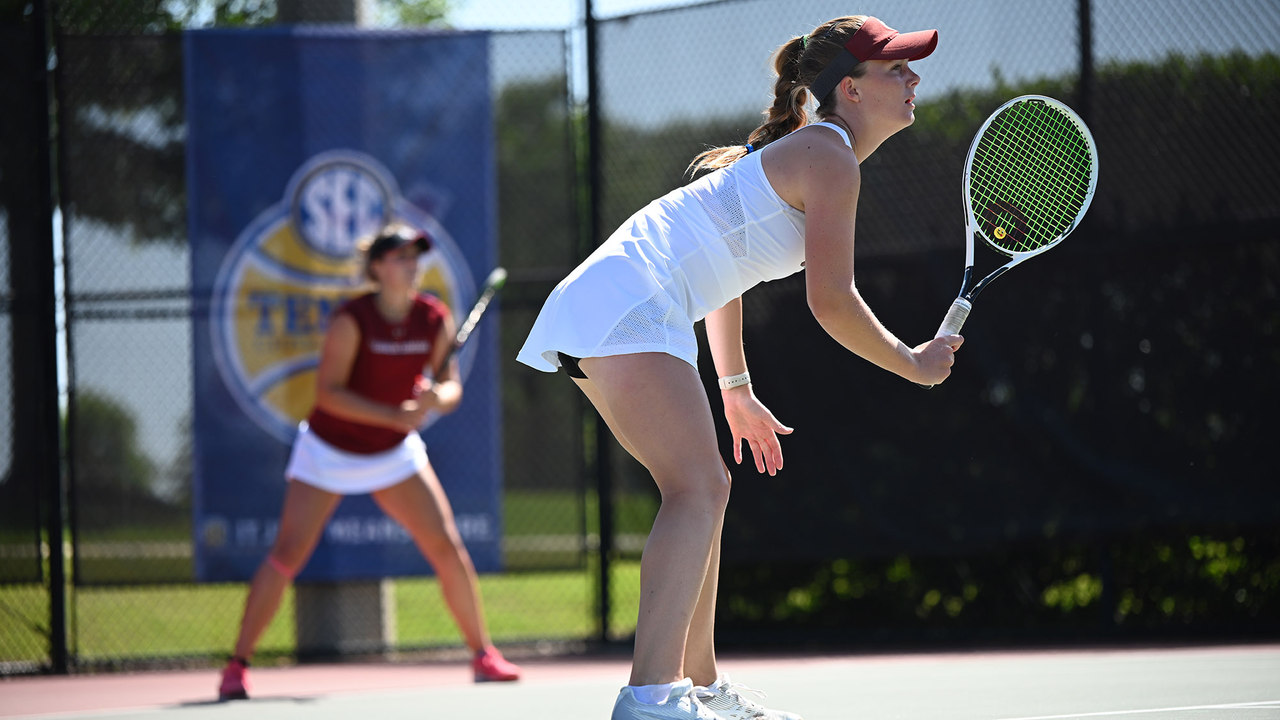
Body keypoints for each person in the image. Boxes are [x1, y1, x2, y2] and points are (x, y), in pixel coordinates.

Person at [517, 14, 962, 720]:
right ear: (849, 88)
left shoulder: (810, 153)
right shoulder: (831, 158)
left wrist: (735, 389)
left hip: (618, 304)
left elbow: (724, 278)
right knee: (698, 487)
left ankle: (696, 687)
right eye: (896, 68)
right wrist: (912, 363)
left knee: (703, 489)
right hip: (626, 302)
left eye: (910, 67)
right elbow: (832, 301)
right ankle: (650, 697)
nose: (913, 79)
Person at [218, 224, 521, 700]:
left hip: (394, 452)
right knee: (287, 554)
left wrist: (435, 397)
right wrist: (392, 413)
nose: (411, 265)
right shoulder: (351, 320)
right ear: (377, 268)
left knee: (447, 547)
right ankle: (237, 665)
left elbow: (452, 387)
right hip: (328, 449)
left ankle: (484, 655)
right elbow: (328, 394)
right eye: (400, 257)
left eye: (415, 257)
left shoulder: (432, 317)